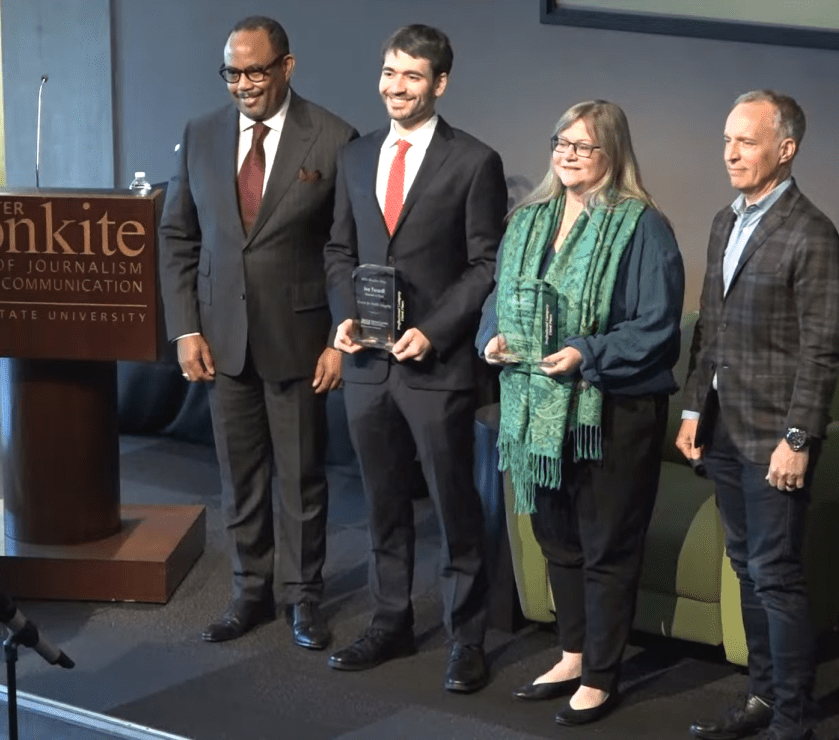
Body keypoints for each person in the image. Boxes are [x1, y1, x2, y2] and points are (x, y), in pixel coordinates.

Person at [477, 100, 684, 726]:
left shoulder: (642, 225)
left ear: (613, 154)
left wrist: (585, 352)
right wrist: (491, 337)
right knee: (557, 539)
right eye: (561, 143)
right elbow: (498, 298)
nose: (567, 155)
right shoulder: (529, 218)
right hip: (537, 407)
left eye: (583, 146)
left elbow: (657, 328)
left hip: (611, 411)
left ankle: (601, 673)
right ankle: (571, 653)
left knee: (605, 546)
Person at [158, 16, 357, 651]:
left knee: (300, 478)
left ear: (287, 66)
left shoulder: (332, 138)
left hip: (300, 341)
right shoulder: (200, 134)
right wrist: (185, 327)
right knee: (239, 476)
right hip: (220, 339)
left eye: (256, 71)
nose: (243, 84)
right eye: (232, 72)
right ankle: (250, 591)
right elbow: (177, 237)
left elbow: (343, 247)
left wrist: (338, 338)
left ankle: (303, 599)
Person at [323, 24, 507, 693]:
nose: (395, 87)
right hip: (368, 366)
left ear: (440, 83)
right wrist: (345, 312)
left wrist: (433, 330)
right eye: (388, 73)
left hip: (436, 367)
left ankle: (466, 639)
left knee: (456, 507)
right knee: (381, 503)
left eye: (410, 76)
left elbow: (487, 261)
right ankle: (390, 620)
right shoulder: (355, 155)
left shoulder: (474, 161)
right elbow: (339, 250)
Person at [679, 91, 839, 740]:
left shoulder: (812, 235)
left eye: (746, 142)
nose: (731, 152)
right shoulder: (728, 219)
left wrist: (798, 439)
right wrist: (695, 406)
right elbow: (711, 328)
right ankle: (762, 700)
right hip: (722, 429)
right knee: (746, 569)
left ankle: (795, 721)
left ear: (786, 149)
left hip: (775, 438)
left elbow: (822, 351)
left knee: (777, 577)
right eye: (727, 139)